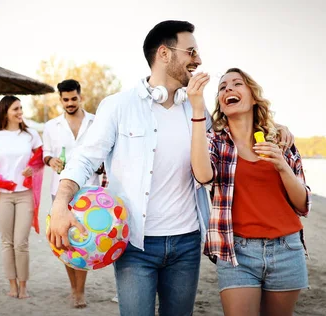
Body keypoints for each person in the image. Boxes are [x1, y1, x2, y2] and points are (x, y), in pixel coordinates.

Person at [47, 20, 211, 316]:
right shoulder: (118, 105)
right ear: (164, 53)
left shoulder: (197, 109)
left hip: (187, 242)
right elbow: (85, 159)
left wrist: (277, 127)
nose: (198, 60)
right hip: (135, 244)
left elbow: (234, 133)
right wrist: (60, 203)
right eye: (191, 51)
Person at [187, 68, 311, 316]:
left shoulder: (280, 140)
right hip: (236, 252)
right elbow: (202, 175)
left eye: (237, 84)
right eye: (222, 87)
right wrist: (198, 109)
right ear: (221, 105)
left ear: (253, 97)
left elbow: (303, 204)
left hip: (287, 249)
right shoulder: (215, 142)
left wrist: (282, 166)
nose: (228, 89)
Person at [0, 95, 44, 299]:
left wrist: (33, 167)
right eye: (16, 109)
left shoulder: (31, 135)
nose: (20, 112)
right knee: (7, 243)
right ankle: (12, 286)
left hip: (25, 195)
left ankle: (23, 287)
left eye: (21, 108)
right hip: (3, 197)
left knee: (21, 242)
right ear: (5, 112)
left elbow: (40, 158)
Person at [42, 79, 103, 308]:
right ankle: (74, 289)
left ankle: (81, 289)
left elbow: (104, 154)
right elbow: (45, 154)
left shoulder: (97, 123)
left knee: (86, 240)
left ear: (81, 97)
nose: (69, 103)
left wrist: (101, 166)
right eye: (65, 99)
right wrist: (51, 160)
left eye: (73, 98)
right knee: (65, 240)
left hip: (90, 190)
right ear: (60, 99)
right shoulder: (51, 126)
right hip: (59, 191)